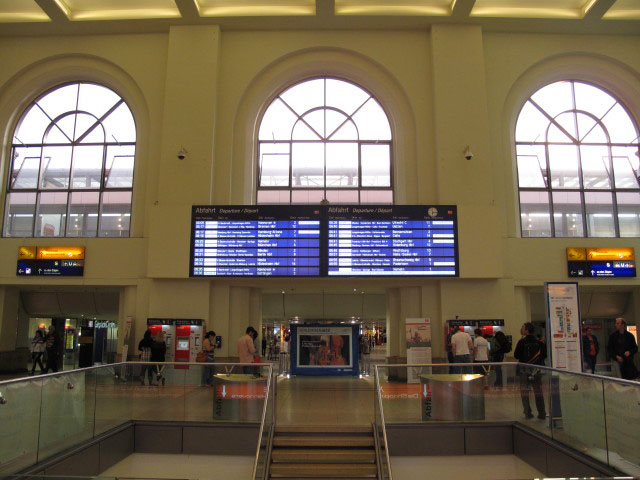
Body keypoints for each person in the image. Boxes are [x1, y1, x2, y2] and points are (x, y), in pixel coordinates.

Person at [514, 322, 547, 420]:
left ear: (527, 330)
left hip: (524, 370)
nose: (521, 329)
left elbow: (516, 355)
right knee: (538, 392)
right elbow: (544, 355)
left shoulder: (522, 342)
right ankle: (542, 413)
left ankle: (528, 412)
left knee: (525, 392)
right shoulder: (539, 342)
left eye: (522, 328)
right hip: (536, 371)